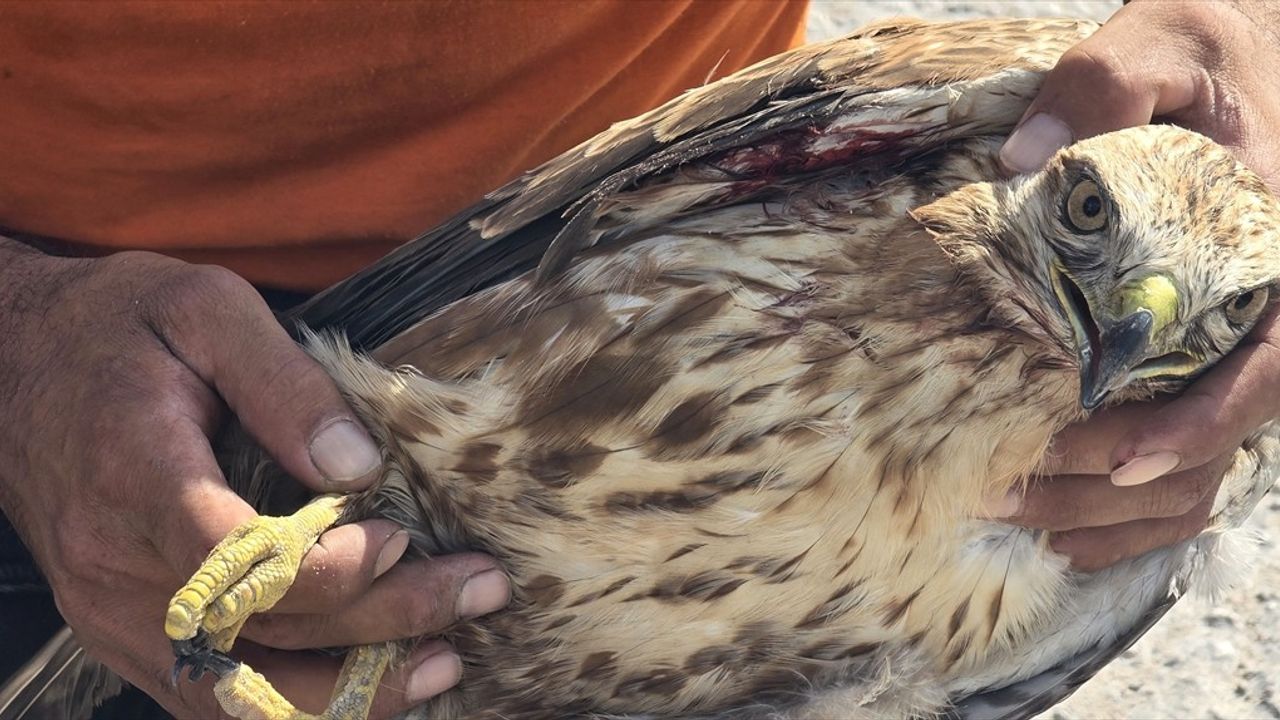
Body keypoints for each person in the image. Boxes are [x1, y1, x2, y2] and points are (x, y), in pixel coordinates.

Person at [0, 1, 1275, 717]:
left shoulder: (1124, 332)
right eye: (1089, 226)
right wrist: (21, 350)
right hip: (88, 350)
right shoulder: (966, 130)